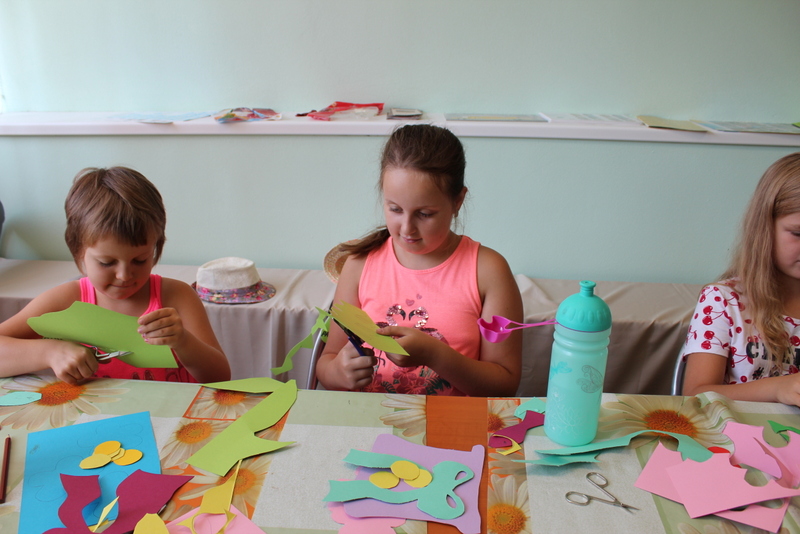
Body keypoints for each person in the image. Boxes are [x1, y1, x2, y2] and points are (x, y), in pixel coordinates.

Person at [315, 124, 523, 396]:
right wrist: (338, 372)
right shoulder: (358, 265)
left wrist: (436, 355)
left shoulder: (488, 270)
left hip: (453, 421)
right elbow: (327, 362)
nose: (407, 228)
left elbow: (504, 385)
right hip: (367, 418)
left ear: (458, 201)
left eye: (424, 214)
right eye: (395, 209)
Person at [0, 167, 230, 384]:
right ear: (78, 252)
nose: (124, 275)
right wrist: (50, 352)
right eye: (106, 263)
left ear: (156, 247)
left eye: (140, 260)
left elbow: (220, 378)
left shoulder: (177, 296)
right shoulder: (67, 300)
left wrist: (183, 341)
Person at [681, 152, 800, 406]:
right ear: (764, 229)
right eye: (797, 233)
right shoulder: (723, 300)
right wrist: (778, 389)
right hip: (737, 429)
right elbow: (694, 394)